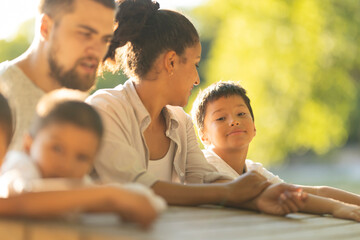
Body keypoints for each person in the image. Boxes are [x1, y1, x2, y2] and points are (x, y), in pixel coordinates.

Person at [87, 0, 307, 215]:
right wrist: (230, 191)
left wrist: (258, 200)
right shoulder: (105, 109)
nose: (196, 79)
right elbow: (136, 187)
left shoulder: (180, 121)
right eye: (195, 64)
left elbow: (205, 180)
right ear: (171, 62)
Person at [191, 81, 360, 221]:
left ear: (254, 127)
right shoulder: (207, 165)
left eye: (241, 114)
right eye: (221, 118)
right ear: (203, 136)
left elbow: (316, 191)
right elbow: (283, 196)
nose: (234, 121)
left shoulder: (253, 169)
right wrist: (336, 207)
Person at [0, 91, 159, 228]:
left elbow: (86, 202)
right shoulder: (20, 165)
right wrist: (111, 195)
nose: (67, 164)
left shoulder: (76, 183)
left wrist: (123, 206)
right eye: (57, 148)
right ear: (28, 146)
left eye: (82, 157)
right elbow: (18, 200)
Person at [0, 0, 116, 150]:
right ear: (46, 28)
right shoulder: (5, 94)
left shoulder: (80, 108)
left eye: (105, 40)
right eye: (86, 34)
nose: (97, 51)